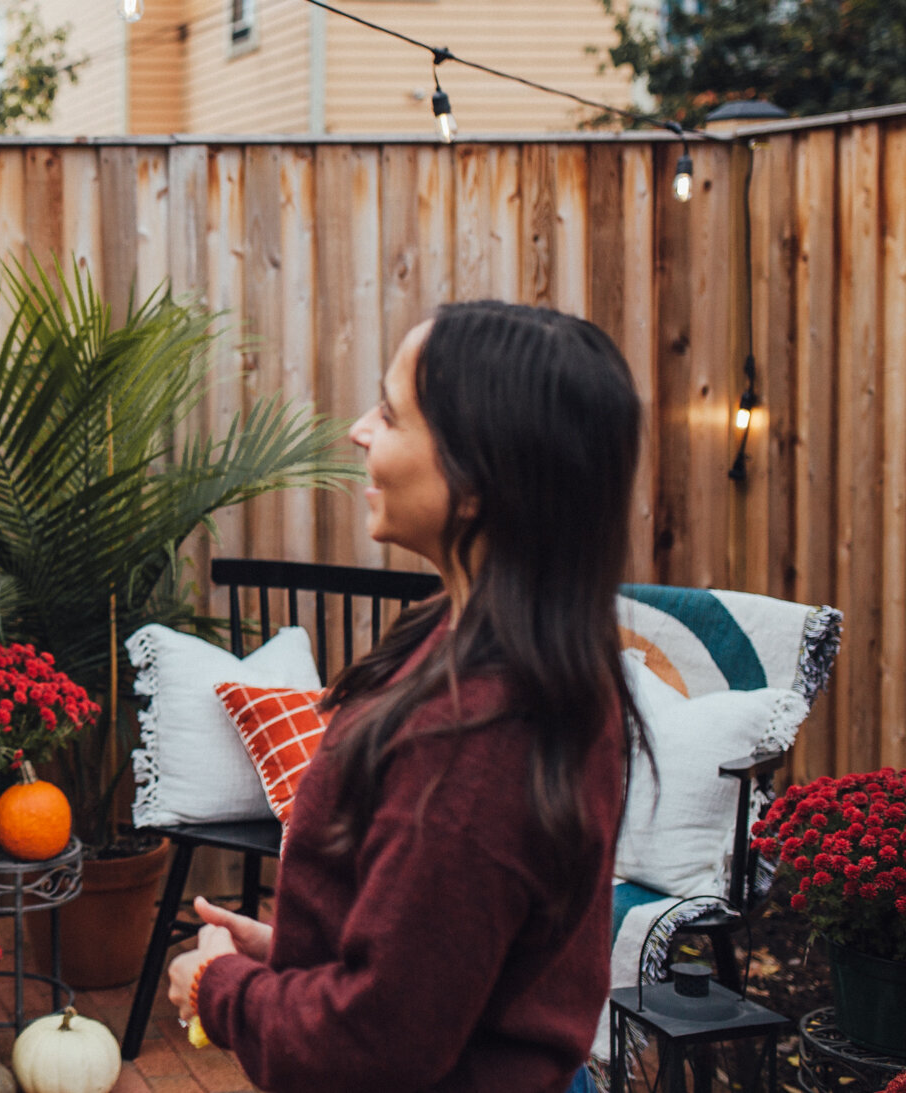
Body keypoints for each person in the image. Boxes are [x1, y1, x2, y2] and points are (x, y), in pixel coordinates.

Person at [167, 301, 646, 1093]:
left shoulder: (481, 726)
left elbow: (374, 1047)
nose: (360, 429)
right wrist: (296, 955)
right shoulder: (495, 648)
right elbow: (446, 953)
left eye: (390, 413)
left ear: (478, 476)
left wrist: (221, 993)